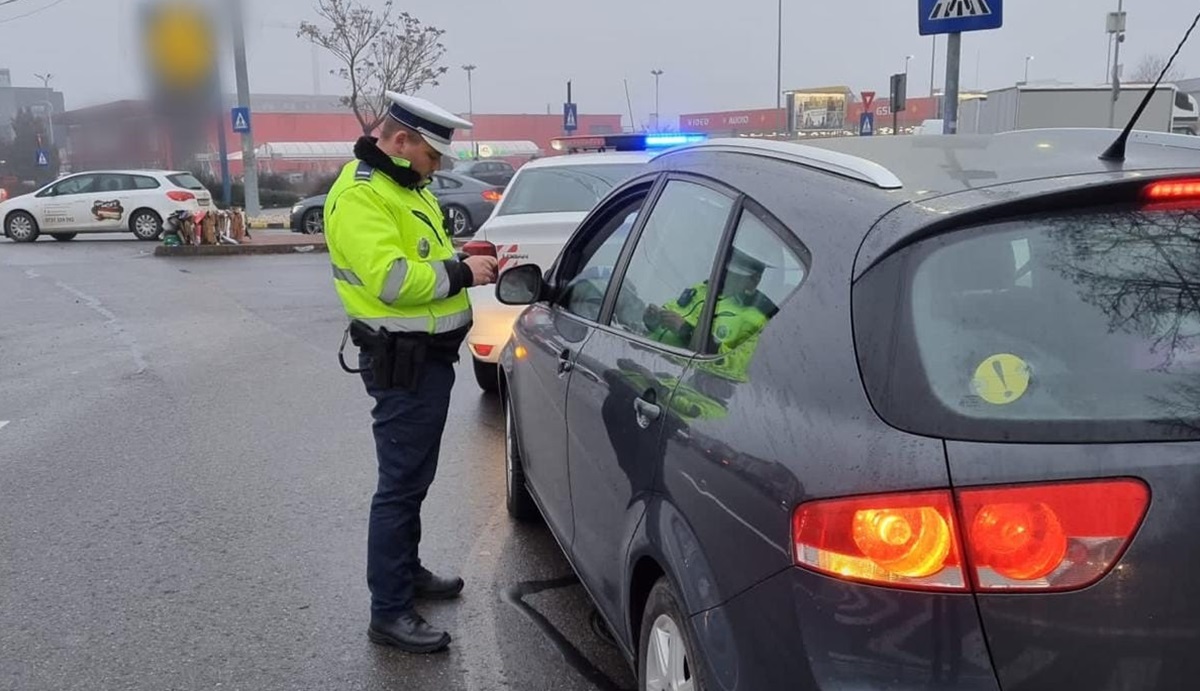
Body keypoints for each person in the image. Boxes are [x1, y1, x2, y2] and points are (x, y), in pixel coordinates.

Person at [323, 91, 498, 654]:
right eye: (432, 156)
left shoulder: (401, 186)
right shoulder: (361, 196)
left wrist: (466, 254)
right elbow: (394, 280)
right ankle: (390, 611)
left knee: (412, 480)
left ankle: (409, 573)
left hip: (425, 360)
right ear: (400, 142)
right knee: (399, 488)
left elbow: (421, 254)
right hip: (402, 363)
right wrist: (463, 273)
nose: (437, 168)